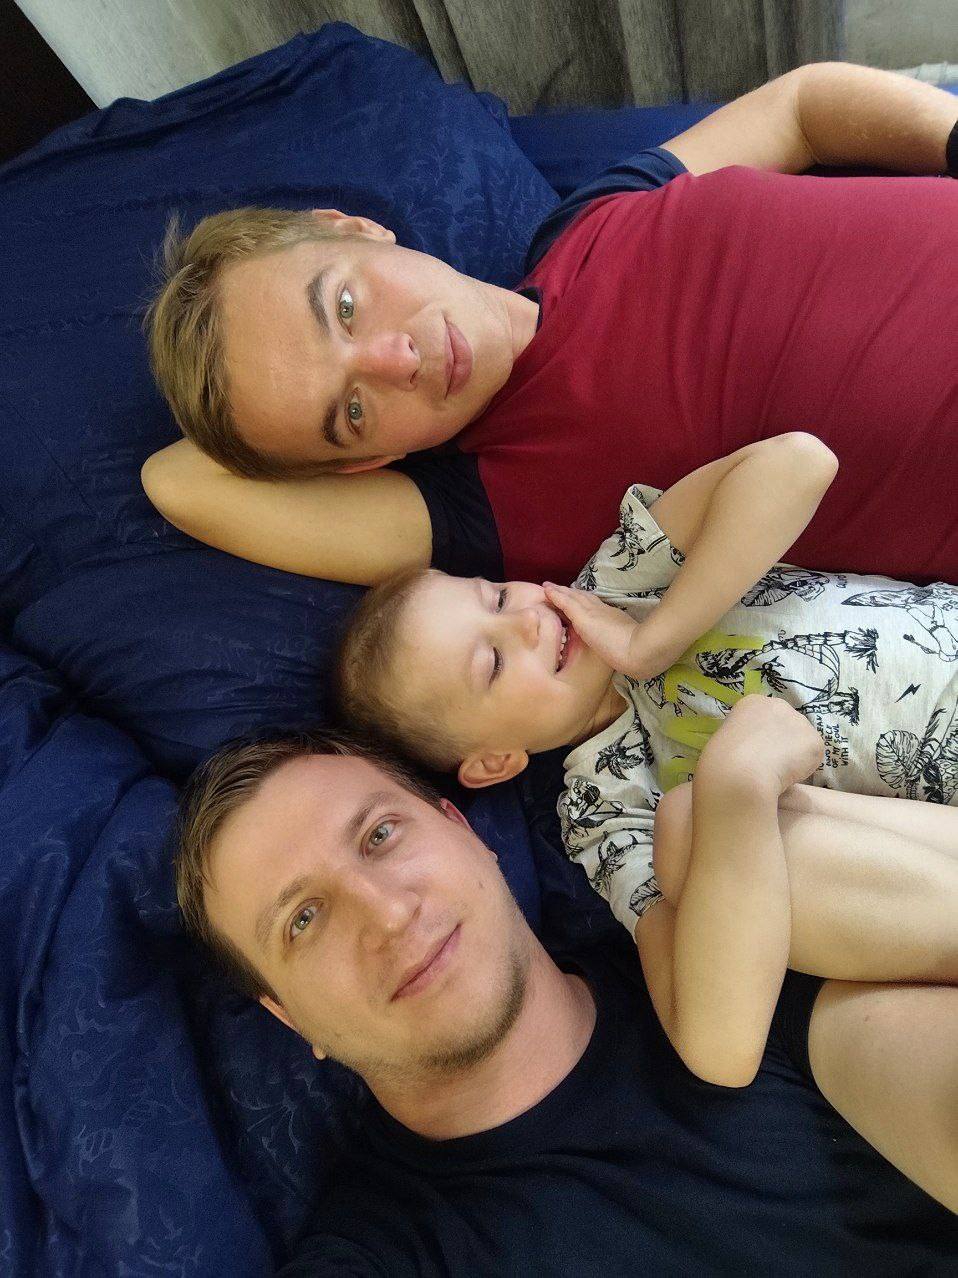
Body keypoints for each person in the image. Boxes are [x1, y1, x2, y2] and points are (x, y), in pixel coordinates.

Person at [141, 63, 958, 589]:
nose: (396, 360)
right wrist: (257, 410)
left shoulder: (595, 218)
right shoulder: (491, 508)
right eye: (352, 411)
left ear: (353, 228)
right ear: (366, 464)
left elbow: (803, 107)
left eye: (345, 306)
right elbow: (177, 483)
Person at [175, 725, 958, 1274]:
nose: (387, 915)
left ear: (465, 830)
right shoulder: (385, 1253)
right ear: (287, 1016)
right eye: (303, 920)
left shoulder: (730, 944)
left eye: (381, 835)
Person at [334, 435, 958, 1080]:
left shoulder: (621, 581)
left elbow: (801, 462)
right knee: (690, 834)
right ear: (494, 762)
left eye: (495, 596)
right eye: (492, 662)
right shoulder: (605, 810)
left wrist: (653, 641)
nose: (525, 620)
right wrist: (736, 784)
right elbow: (707, 1031)